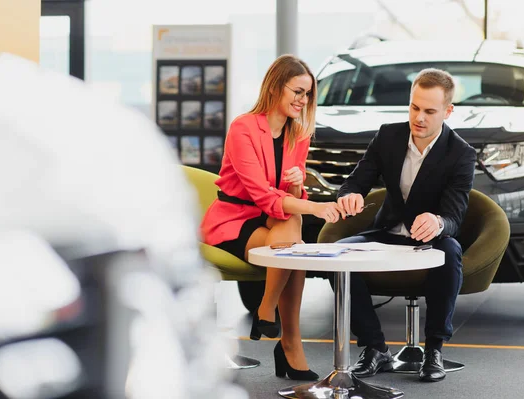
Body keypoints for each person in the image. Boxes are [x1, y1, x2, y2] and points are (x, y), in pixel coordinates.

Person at [201, 54, 345, 381]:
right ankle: (287, 339)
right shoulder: (244, 128)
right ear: (275, 88)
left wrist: (297, 187)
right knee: (294, 235)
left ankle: (269, 315)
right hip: (234, 219)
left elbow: (288, 200)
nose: (302, 100)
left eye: (307, 94)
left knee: (291, 231)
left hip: (274, 221)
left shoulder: (299, 135)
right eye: (297, 91)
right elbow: (262, 195)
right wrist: (316, 207)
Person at [333, 68, 477, 382]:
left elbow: (455, 217)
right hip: (387, 232)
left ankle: (434, 349)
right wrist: (351, 195)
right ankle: (375, 347)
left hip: (431, 237)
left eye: (429, 111)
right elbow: (353, 182)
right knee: (339, 255)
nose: (419, 117)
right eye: (414, 107)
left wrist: (438, 221)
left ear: (447, 112)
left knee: (450, 253)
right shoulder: (388, 136)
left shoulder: (461, 154)